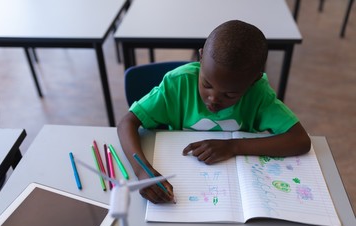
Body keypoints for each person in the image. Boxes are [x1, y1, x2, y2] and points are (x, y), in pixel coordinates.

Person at [117, 20, 311, 204]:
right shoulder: (178, 85)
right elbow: (127, 123)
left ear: (253, 81)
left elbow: (300, 140)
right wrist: (142, 171)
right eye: (206, 84)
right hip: (186, 180)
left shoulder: (258, 94)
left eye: (230, 94)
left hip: (235, 186)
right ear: (201, 57)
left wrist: (233, 147)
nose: (214, 99)